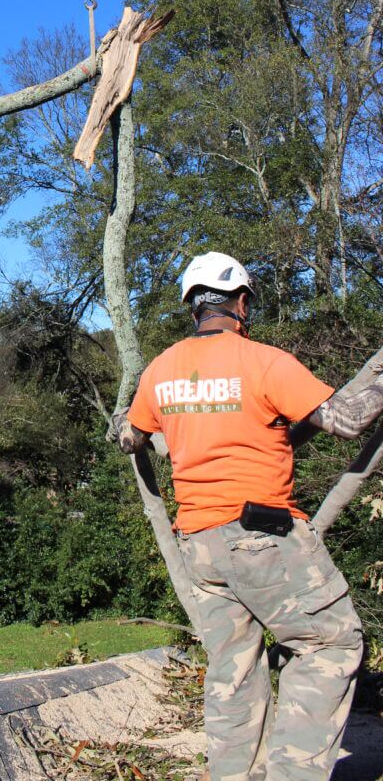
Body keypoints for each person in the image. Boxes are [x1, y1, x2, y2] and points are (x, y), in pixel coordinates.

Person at [114, 252, 383, 781]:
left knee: (233, 669)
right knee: (331, 643)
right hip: (263, 538)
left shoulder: (160, 370)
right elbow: (349, 420)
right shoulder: (263, 361)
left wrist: (139, 418)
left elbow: (129, 435)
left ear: (193, 306)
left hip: (201, 549)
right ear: (241, 302)